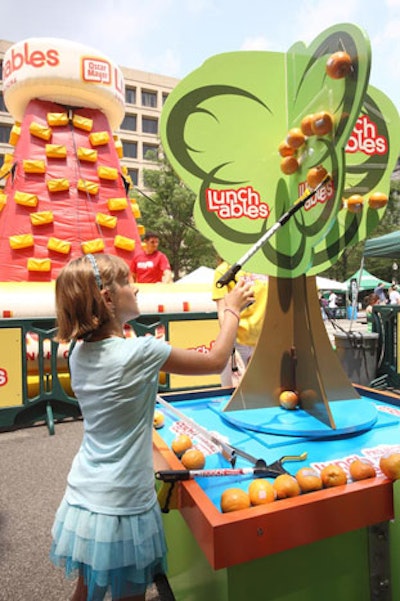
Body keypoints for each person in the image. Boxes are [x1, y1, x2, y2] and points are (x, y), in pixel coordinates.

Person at [50, 253, 254, 601]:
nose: (137, 287)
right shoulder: (141, 352)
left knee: (85, 593)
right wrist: (231, 308)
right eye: (128, 281)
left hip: (84, 495)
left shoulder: (77, 354)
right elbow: (217, 360)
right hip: (124, 502)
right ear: (108, 298)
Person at [212, 258, 268, 387]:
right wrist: (231, 349)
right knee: (232, 396)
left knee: (262, 395)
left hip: (264, 343)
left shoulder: (268, 268)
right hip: (237, 343)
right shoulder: (224, 271)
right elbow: (222, 311)